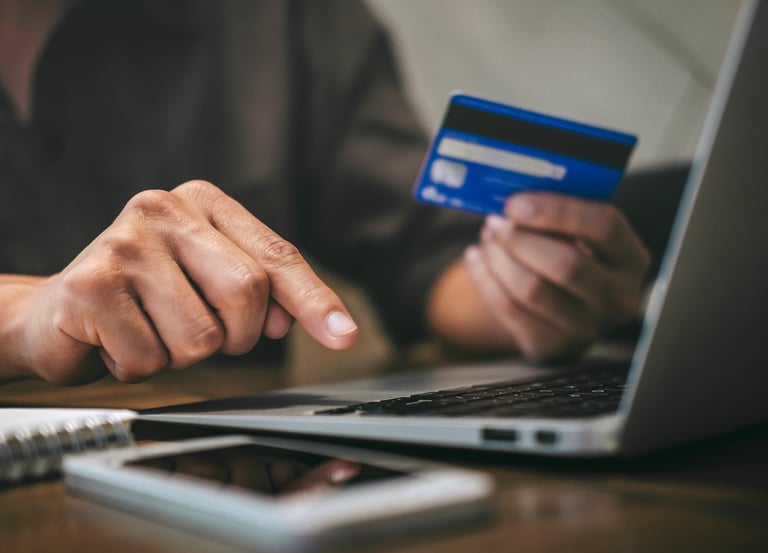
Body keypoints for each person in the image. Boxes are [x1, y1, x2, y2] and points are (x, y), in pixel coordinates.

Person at [0, 0, 650, 385]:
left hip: (232, 483)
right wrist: (26, 317)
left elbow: (425, 256)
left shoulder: (281, 17)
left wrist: (531, 288)